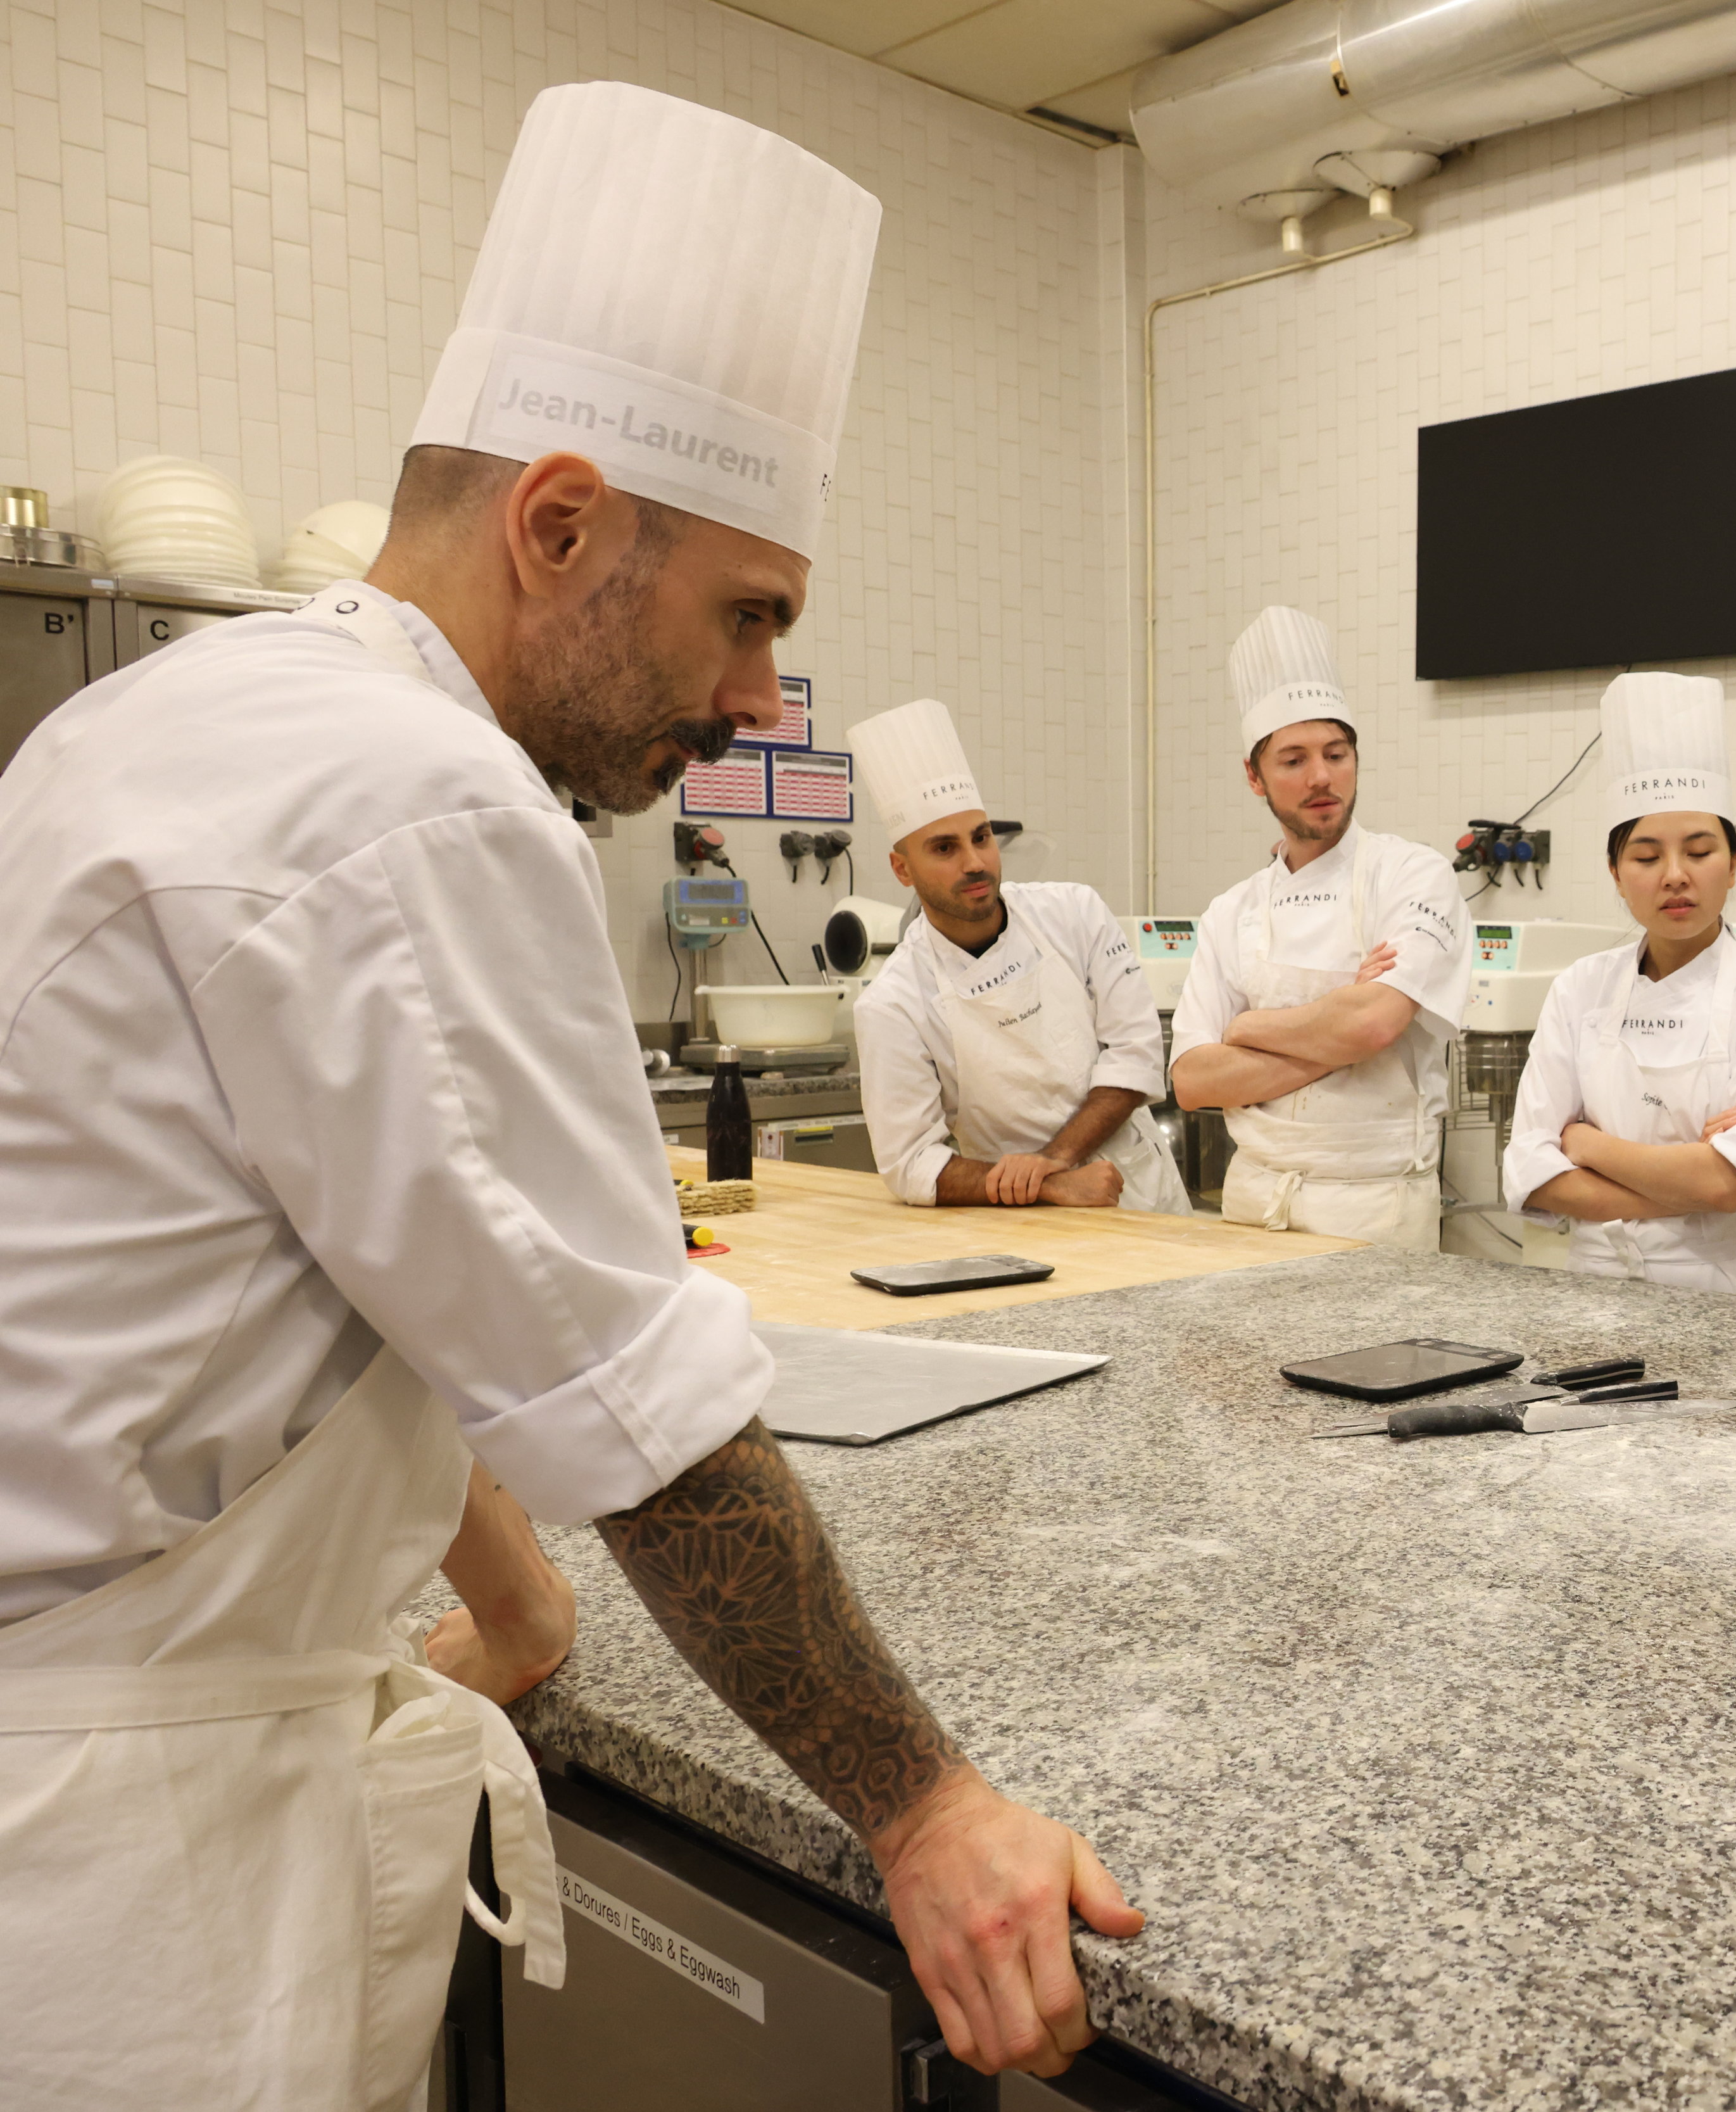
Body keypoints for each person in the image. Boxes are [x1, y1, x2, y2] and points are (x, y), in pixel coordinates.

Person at [0, 85, 1135, 2105]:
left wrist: (515, 1601)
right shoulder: (412, 795)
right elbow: (656, 1430)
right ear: (558, 525)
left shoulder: (164, 721)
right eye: (751, 612)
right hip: (115, 1872)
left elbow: (348, 1264)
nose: (768, 699)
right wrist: (931, 1812)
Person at [1501, 673, 1736, 1296]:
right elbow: (1530, 1173)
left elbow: (1728, 1184)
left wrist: (1587, 1142)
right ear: (1616, 875)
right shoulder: (1579, 988)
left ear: (1733, 865)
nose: (1674, 875)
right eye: (1646, 857)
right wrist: (1688, 1184)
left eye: (1699, 851)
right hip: (1595, 1284)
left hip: (1725, 1290)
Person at [1169, 606, 1468, 1248]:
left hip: (1378, 1208)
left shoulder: (1413, 875)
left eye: (1336, 752)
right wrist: (1336, 1033)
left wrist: (1246, 1029)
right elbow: (1193, 1080)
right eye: (1293, 759)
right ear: (1254, 776)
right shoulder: (1231, 910)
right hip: (1250, 1201)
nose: (1321, 777)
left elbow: (1372, 1024)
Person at [845, 697, 1192, 1214]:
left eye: (981, 837)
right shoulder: (892, 1004)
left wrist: (1053, 1158)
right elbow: (911, 1163)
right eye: (944, 848)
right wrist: (1050, 1184)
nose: (975, 862)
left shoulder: (1074, 913)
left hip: (1141, 1189)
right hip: (1018, 1216)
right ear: (902, 868)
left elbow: (1137, 1054)